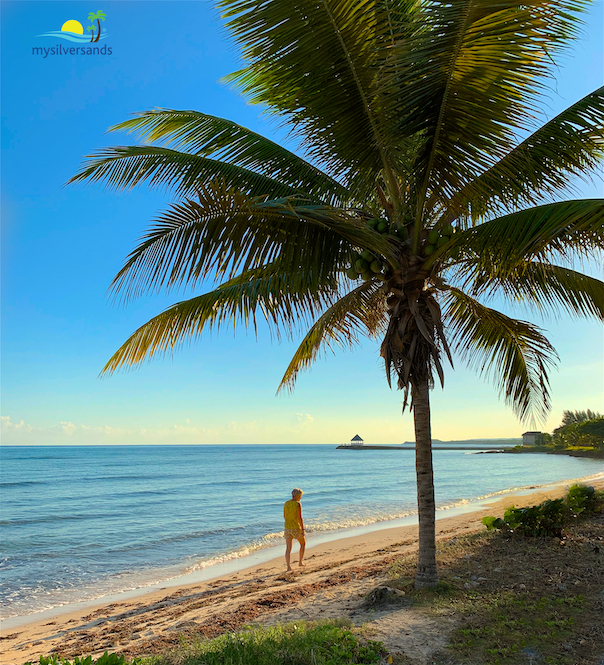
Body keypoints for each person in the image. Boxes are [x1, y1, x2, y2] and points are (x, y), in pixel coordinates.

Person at [283, 488, 305, 571]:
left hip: (287, 527)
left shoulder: (286, 503)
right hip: (296, 527)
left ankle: (288, 566)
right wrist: (302, 529)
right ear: (297, 496)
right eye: (300, 496)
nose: (301, 497)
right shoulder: (297, 504)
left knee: (288, 548)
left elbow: (284, 516)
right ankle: (300, 562)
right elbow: (300, 518)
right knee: (303, 543)